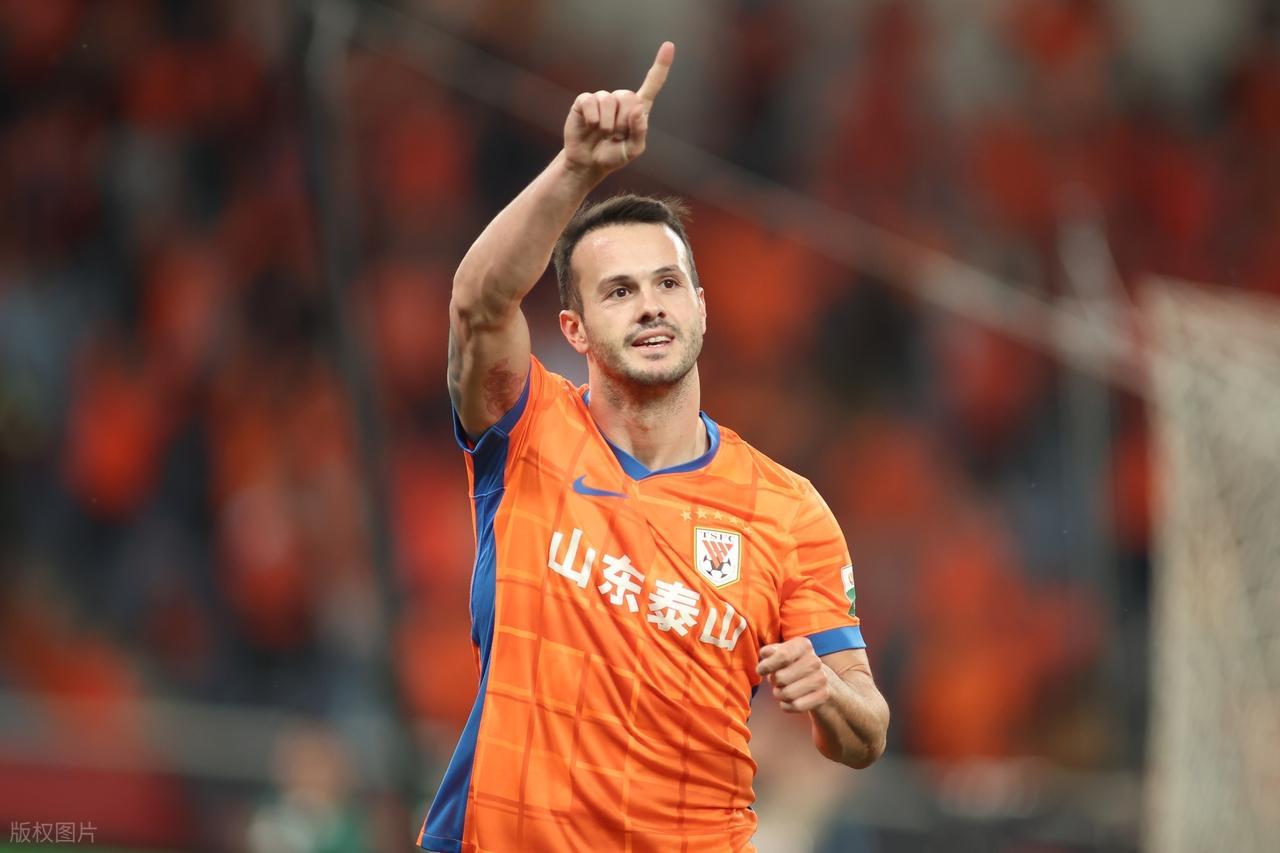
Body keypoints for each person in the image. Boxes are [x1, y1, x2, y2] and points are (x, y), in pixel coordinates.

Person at [416, 42, 889, 853]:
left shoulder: (788, 509)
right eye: (619, 291)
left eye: (668, 284)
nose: (650, 306)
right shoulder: (527, 430)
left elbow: (865, 732)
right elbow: (477, 305)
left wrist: (827, 692)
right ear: (574, 330)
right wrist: (576, 170)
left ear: (701, 306)